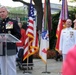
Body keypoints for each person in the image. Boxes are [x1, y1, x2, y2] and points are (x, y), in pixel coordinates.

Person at [0, 6, 21, 75]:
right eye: (0, 12)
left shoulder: (12, 22)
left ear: (7, 12)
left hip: (10, 47)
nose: (2, 13)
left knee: (11, 67)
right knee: (2, 67)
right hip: (1, 48)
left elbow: (18, 35)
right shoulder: (0, 23)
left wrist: (8, 38)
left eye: (3, 11)